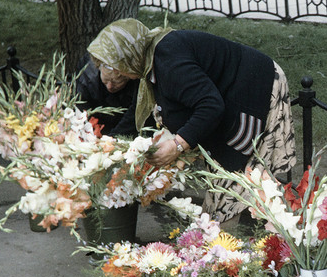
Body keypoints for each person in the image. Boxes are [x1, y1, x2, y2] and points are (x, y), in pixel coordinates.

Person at [86, 19, 297, 222]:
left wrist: (177, 145)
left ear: (128, 57)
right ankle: (226, 238)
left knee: (240, 180)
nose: (113, 76)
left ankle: (288, 235)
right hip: (230, 94)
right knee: (230, 188)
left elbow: (211, 106)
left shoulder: (168, 62)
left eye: (113, 67)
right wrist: (108, 145)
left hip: (254, 90)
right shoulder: (149, 58)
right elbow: (138, 113)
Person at [74, 54, 140, 136]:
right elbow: (81, 109)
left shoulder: (136, 82)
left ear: (129, 77)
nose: (110, 86)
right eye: (106, 80)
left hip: (125, 123)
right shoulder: (87, 78)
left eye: (116, 82)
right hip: (97, 122)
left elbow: (134, 115)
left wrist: (114, 136)